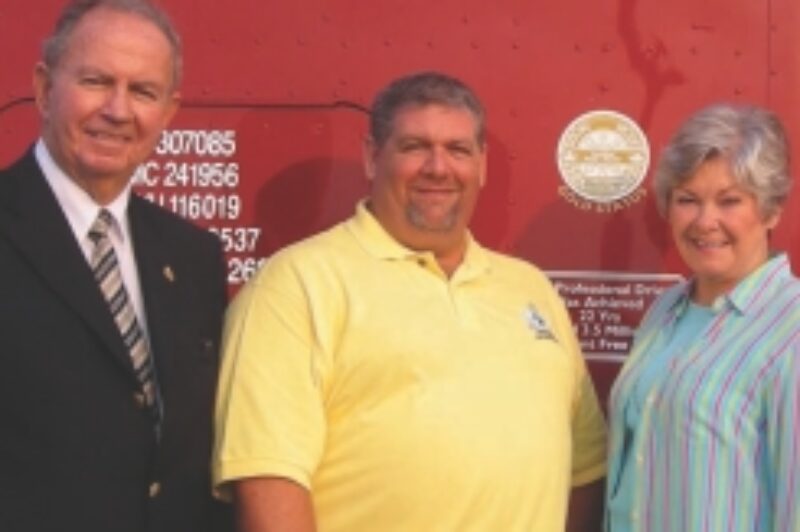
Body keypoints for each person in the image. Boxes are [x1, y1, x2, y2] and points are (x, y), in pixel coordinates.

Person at [213, 71, 607, 532]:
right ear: (372, 156)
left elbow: (585, 470)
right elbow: (268, 481)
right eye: (415, 146)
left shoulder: (531, 288)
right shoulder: (297, 284)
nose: (438, 168)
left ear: (481, 164)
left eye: (458, 149)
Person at [0, 1, 232, 531]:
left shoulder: (194, 255)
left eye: (143, 91)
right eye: (96, 82)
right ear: (44, 89)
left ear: (168, 112)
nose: (119, 110)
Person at [606, 103, 800, 531]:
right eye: (687, 200)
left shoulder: (792, 330)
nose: (705, 221)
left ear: (771, 210)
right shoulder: (665, 310)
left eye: (729, 201)